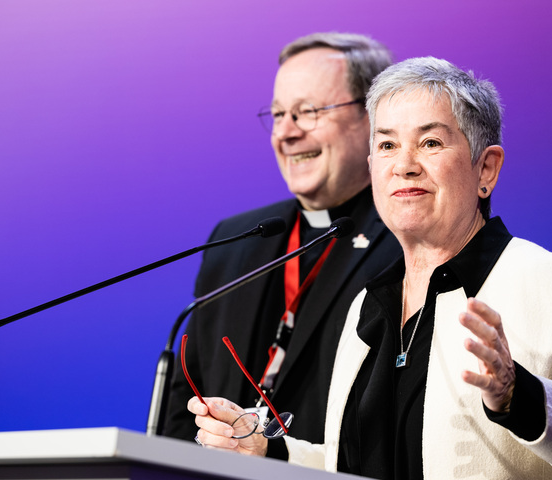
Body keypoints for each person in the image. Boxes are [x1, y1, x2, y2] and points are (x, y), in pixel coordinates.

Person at [188, 57, 552, 480]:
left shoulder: (548, 282)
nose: (404, 165)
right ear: (373, 170)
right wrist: (268, 451)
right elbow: (355, 464)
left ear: (486, 168)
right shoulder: (368, 306)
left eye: (430, 143)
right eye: (387, 145)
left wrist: (518, 398)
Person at [162, 33, 401, 444]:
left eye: (307, 112)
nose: (286, 133)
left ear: (372, 117)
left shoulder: (407, 243)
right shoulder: (233, 241)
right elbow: (186, 403)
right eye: (277, 114)